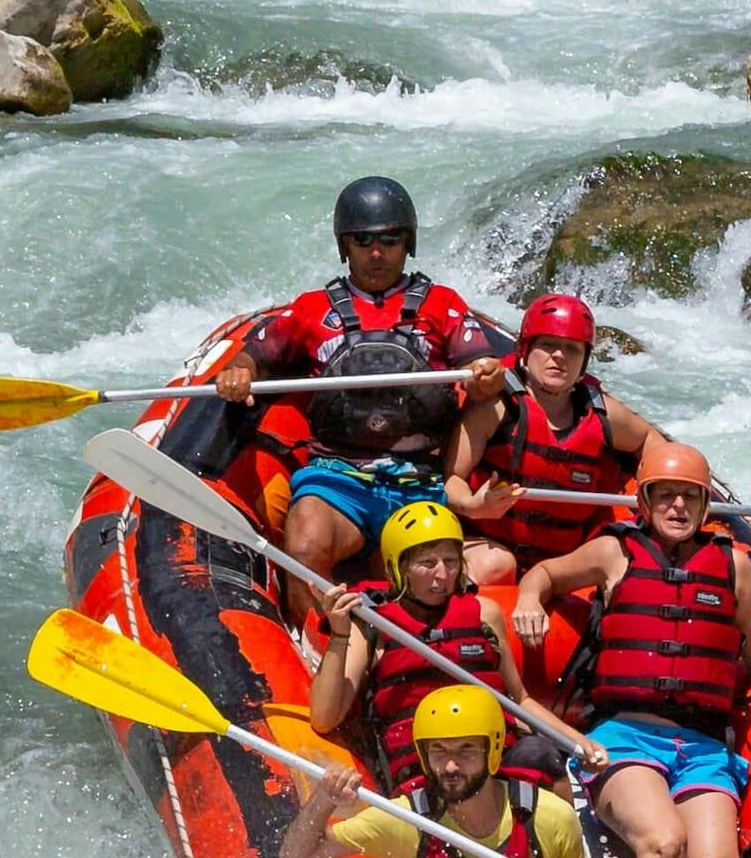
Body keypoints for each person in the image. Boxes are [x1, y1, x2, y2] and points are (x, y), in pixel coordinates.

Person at [511, 438, 751, 858]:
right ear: (645, 502)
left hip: (702, 749)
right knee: (663, 843)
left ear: (703, 506)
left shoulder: (732, 565)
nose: (678, 507)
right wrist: (528, 596)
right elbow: (545, 573)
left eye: (689, 497)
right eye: (666, 495)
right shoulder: (614, 551)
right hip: (624, 739)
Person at [210, 175, 502, 588]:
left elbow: (484, 372)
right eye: (362, 241)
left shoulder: (443, 305)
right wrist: (239, 369)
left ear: (408, 243)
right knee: (307, 541)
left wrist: (486, 375)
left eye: (390, 240)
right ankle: (315, 641)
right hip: (337, 477)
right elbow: (257, 354)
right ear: (345, 246)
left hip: (418, 481)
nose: (377, 253)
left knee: (424, 580)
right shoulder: (312, 309)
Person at [272, 684, 598, 858]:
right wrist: (323, 800)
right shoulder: (408, 820)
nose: (451, 766)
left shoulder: (548, 816)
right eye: (438, 751)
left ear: (493, 749)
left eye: (466, 750)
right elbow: (296, 854)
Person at [303, 500, 574, 797]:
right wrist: (340, 635)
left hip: (491, 763)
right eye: (427, 563)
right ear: (399, 567)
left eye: (451, 561)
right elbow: (324, 717)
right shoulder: (370, 622)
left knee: (540, 755)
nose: (442, 574)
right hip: (424, 771)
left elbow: (518, 700)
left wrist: (579, 743)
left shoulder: (485, 614)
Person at [448, 292, 676, 579]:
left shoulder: (602, 413)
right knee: (498, 565)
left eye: (572, 349)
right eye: (548, 345)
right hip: (489, 545)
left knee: (623, 565)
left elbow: (649, 441)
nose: (559, 356)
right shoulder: (495, 406)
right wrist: (472, 505)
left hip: (562, 560)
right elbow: (450, 478)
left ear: (584, 361)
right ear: (526, 349)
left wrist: (661, 493)